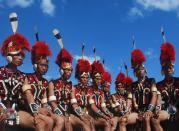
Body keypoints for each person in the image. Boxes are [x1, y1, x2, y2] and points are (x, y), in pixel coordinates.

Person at [22, 41, 55, 131]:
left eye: (46, 66)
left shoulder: (45, 82)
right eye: (42, 65)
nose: (45, 68)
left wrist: (49, 110)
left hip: (40, 109)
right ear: (35, 65)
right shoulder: (27, 77)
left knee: (55, 120)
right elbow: (28, 97)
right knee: (46, 122)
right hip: (27, 108)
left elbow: (44, 101)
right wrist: (38, 111)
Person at [130, 49, 157, 131]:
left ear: (145, 70)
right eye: (138, 69)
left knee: (146, 118)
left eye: (142, 68)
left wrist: (149, 110)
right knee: (123, 120)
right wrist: (127, 112)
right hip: (137, 111)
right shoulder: (132, 85)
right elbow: (130, 100)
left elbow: (154, 96)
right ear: (135, 71)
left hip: (149, 109)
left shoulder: (151, 81)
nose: (140, 70)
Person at [156, 42, 179, 131]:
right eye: (166, 67)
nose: (168, 69)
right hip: (166, 111)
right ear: (163, 70)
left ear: (173, 69)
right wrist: (157, 108)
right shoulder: (158, 85)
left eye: (171, 67)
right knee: (155, 119)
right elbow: (158, 100)